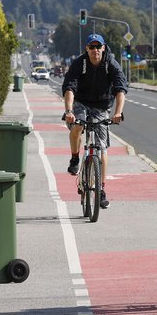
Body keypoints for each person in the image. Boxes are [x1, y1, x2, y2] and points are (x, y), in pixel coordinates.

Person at [62, 33, 128, 208]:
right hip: (81, 103)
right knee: (77, 126)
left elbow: (120, 89)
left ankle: (101, 189)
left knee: (103, 149)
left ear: (104, 48)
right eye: (92, 47)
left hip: (101, 106)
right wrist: (69, 111)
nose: (95, 50)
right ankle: (75, 158)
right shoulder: (80, 64)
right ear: (87, 49)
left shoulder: (111, 64)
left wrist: (118, 112)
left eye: (98, 47)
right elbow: (69, 88)